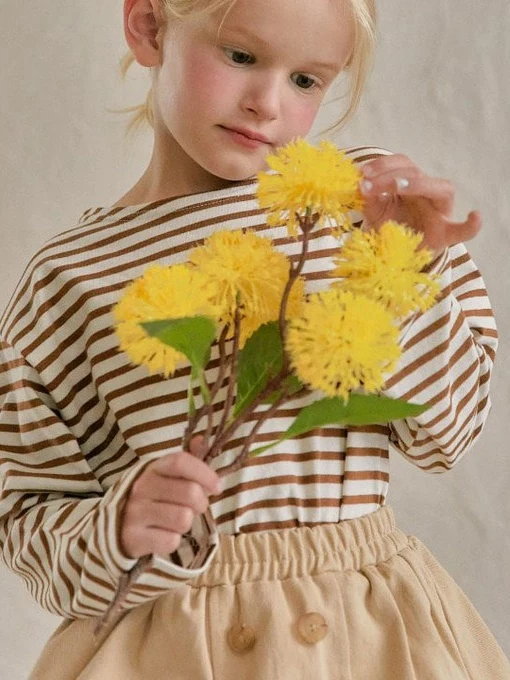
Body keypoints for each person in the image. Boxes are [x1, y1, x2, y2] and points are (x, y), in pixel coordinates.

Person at [0, 0, 508, 678]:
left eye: (307, 80)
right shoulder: (70, 276)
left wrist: (404, 270)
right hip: (169, 645)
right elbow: (29, 512)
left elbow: (448, 433)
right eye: (240, 56)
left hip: (370, 633)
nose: (267, 102)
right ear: (148, 26)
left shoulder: (361, 206)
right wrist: (121, 529)